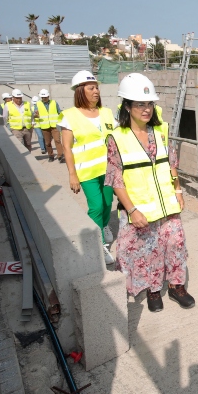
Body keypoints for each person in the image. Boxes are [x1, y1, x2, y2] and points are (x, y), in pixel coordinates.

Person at [106, 73, 195, 312]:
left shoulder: (160, 131)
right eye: (140, 104)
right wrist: (132, 209)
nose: (146, 109)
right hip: (141, 208)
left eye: (149, 104)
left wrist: (178, 189)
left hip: (167, 204)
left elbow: (171, 163)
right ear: (127, 106)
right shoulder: (117, 138)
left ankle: (177, 287)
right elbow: (115, 178)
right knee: (150, 251)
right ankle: (154, 290)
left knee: (176, 244)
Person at [60, 70, 116, 265]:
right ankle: (98, 243)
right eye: (91, 88)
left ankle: (105, 225)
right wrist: (72, 175)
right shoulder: (69, 116)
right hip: (87, 172)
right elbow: (67, 147)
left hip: (109, 169)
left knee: (108, 203)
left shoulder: (107, 113)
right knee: (96, 206)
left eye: (97, 88)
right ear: (80, 91)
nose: (96, 91)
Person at [36, 88, 65, 162]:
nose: (44, 98)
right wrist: (35, 115)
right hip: (44, 126)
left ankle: (60, 156)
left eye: (45, 97)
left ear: (48, 96)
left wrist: (61, 122)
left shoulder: (54, 103)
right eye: (43, 97)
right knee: (47, 143)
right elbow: (35, 114)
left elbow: (59, 113)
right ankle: (51, 155)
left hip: (54, 125)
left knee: (57, 140)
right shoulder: (38, 104)